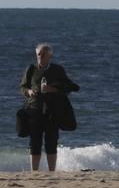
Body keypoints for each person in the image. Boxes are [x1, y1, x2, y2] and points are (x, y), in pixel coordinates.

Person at [18, 42, 79, 172]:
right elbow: (23, 87)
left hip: (52, 111)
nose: (40, 56)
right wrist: (29, 92)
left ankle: (52, 172)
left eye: (43, 54)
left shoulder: (57, 69)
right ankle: (34, 172)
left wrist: (53, 89)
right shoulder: (31, 69)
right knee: (35, 142)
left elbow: (70, 87)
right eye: (39, 54)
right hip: (34, 109)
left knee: (51, 142)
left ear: (50, 55)